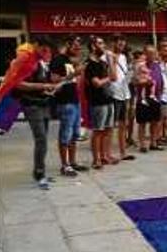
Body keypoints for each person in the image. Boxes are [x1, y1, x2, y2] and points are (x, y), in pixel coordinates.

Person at [13, 36, 58, 188]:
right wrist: (42, 86)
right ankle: (39, 174)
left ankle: (41, 172)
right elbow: (18, 84)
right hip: (32, 106)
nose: (46, 53)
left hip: (43, 104)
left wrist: (48, 88)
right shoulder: (26, 60)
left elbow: (42, 84)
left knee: (43, 140)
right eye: (44, 49)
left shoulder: (39, 62)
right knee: (41, 140)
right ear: (36, 45)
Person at [50, 36, 88, 176]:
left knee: (74, 134)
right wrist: (73, 74)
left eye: (79, 48)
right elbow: (54, 80)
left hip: (75, 100)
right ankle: (64, 165)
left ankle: (72, 162)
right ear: (67, 44)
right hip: (65, 102)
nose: (77, 50)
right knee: (65, 134)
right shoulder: (58, 60)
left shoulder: (72, 61)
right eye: (75, 47)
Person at [85, 35, 117, 169]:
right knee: (98, 130)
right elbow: (96, 83)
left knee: (108, 129)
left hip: (108, 99)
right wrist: (108, 78)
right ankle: (96, 159)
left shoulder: (103, 63)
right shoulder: (90, 64)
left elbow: (114, 76)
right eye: (100, 43)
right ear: (93, 46)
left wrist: (110, 60)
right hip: (97, 101)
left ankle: (105, 155)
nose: (103, 46)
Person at [110, 35, 135, 162]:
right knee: (110, 125)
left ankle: (123, 151)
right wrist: (113, 61)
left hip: (124, 93)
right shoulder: (108, 56)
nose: (121, 46)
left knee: (123, 124)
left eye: (123, 44)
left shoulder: (124, 57)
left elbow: (125, 74)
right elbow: (111, 76)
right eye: (119, 44)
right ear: (114, 43)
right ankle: (107, 153)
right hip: (114, 93)